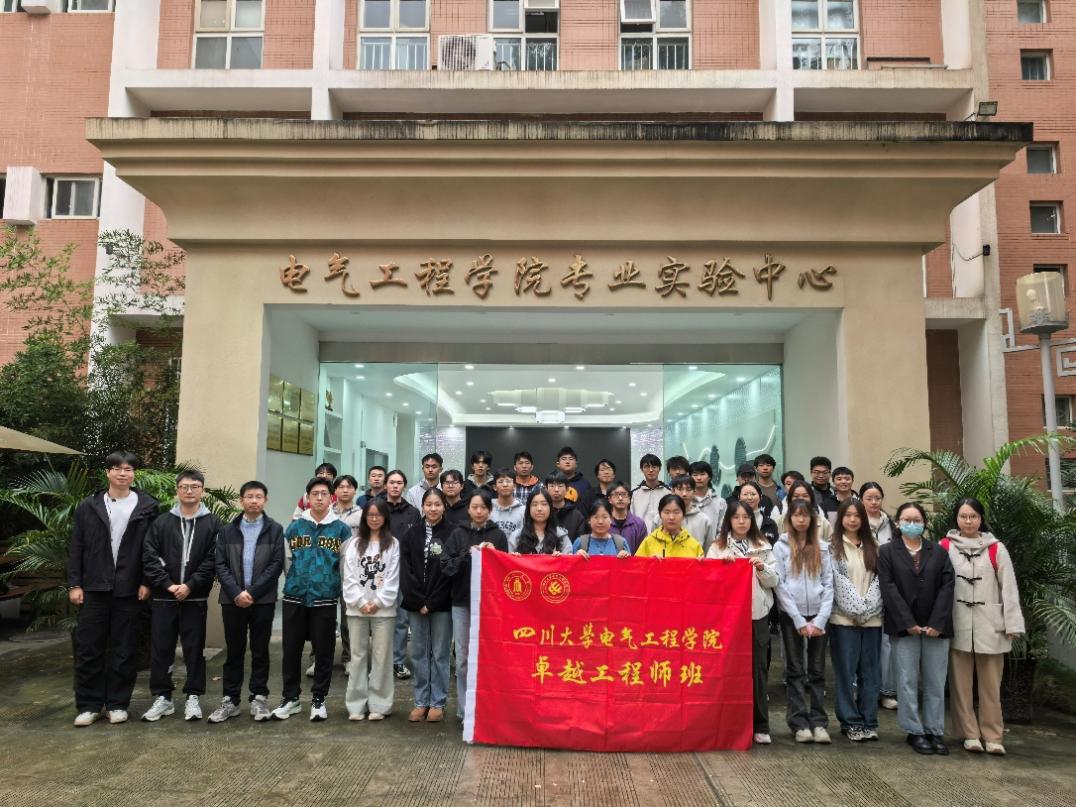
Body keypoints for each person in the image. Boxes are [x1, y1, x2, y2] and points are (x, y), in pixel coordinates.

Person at [69, 451, 158, 727]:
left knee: (124, 649)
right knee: (89, 648)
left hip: (129, 589)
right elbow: (77, 547)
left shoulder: (147, 507)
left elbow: (152, 548)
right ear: (107, 472)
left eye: (128, 469)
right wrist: (75, 583)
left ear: (134, 474)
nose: (123, 473)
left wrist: (146, 581)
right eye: (117, 468)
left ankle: (118, 704)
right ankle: (89, 705)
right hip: (94, 587)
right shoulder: (88, 506)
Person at [944, 497, 1025, 756]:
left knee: (991, 687)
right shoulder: (945, 546)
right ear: (956, 518)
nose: (968, 521)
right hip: (957, 624)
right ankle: (969, 734)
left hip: (991, 625)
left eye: (973, 516)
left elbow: (1009, 588)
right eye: (963, 516)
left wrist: (1013, 624)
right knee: (960, 686)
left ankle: (993, 735)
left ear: (981, 519)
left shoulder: (996, 548)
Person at [141, 469, 222, 723]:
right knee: (161, 649)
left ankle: (193, 696)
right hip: (164, 597)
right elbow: (150, 556)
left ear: (202, 491)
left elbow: (213, 559)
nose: (189, 491)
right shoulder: (161, 522)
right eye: (184, 486)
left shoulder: (213, 523)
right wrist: (168, 585)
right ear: (177, 490)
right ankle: (162, 697)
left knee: (194, 649)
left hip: (195, 598)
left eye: (195, 486)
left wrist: (190, 585)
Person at [878, 502, 955, 756]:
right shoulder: (887, 552)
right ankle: (914, 730)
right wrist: (907, 622)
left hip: (936, 628)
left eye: (917, 519)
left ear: (924, 523)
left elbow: (947, 587)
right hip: (904, 627)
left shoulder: (939, 552)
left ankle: (935, 730)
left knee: (935, 681)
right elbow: (888, 587)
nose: (912, 524)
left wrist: (936, 623)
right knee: (907, 681)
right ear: (898, 523)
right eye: (907, 519)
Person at [272, 476, 350, 722]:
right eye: (314, 493)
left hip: (325, 599)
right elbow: (287, 561)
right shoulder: (295, 527)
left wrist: (334, 588)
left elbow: (345, 565)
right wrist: (296, 581)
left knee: (324, 651)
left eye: (324, 494)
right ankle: (291, 698)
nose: (319, 498)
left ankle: (319, 699)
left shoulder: (341, 529)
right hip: (294, 597)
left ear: (331, 498)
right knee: (291, 650)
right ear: (307, 497)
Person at [208, 480, 285, 724]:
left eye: (258, 496)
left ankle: (259, 698)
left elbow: (276, 565)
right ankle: (230, 700)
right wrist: (236, 593)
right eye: (249, 496)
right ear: (241, 500)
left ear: (265, 500)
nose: (254, 501)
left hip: (263, 600)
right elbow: (220, 564)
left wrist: (252, 592)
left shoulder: (275, 529)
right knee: (234, 651)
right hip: (232, 601)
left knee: (260, 650)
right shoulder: (227, 530)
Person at [707, 501, 779, 745]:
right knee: (726, 671)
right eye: (736, 517)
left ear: (752, 520)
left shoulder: (763, 546)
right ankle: (727, 725)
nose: (741, 521)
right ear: (728, 520)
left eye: (746, 517)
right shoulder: (717, 547)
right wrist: (722, 568)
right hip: (726, 620)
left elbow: (774, 581)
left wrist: (762, 569)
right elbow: (708, 582)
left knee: (757, 670)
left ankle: (761, 725)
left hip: (756, 615)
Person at [441, 490, 509, 720]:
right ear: (468, 509)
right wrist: (466, 555)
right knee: (462, 660)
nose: (479, 511)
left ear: (490, 510)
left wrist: (494, 554)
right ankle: (464, 709)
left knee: (489, 659)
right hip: (462, 602)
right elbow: (446, 567)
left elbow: (507, 572)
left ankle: (487, 708)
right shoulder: (457, 533)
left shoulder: (498, 535)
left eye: (483, 507)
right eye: (474, 507)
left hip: (490, 606)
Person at [773, 499, 834, 744]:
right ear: (789, 518)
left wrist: (820, 620)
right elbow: (780, 584)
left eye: (805, 515)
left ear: (812, 519)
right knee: (795, 671)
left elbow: (828, 584)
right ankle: (799, 723)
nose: (801, 519)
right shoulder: (780, 546)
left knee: (817, 672)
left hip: (819, 615)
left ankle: (819, 722)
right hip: (792, 617)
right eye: (796, 515)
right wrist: (798, 619)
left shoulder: (823, 547)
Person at [827, 498, 883, 742]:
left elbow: (880, 582)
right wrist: (855, 610)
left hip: (872, 620)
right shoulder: (832, 547)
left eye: (857, 515)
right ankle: (850, 721)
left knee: (870, 674)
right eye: (848, 515)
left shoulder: (875, 546)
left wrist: (866, 610)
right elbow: (838, 583)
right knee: (845, 673)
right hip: (843, 621)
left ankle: (869, 720)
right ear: (841, 518)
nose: (852, 519)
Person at [341, 499, 400, 721]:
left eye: (378, 515)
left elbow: (393, 577)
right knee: (357, 656)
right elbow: (349, 576)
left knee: (382, 657)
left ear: (385, 517)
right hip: (357, 610)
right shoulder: (354, 544)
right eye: (370, 515)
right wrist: (360, 602)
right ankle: (355, 705)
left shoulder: (393, 544)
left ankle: (380, 704)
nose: (374, 519)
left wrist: (378, 602)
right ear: (364, 517)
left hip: (383, 610)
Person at [400, 488, 454, 723]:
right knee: (419, 653)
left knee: (440, 654)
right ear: (422, 506)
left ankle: (437, 702)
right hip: (415, 604)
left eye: (437, 504)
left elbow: (450, 572)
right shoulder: (411, 534)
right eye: (429, 504)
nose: (433, 508)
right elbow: (406, 570)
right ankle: (421, 701)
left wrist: (431, 602)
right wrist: (419, 601)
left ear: (444, 507)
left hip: (441, 605)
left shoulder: (453, 533)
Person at [860, 481, 897, 710]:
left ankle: (886, 691)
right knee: (865, 643)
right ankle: (865, 690)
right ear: (861, 500)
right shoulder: (854, 522)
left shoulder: (891, 525)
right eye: (869, 498)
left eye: (877, 498)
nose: (874, 502)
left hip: (887, 588)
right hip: (861, 588)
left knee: (886, 642)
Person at [383, 470, 420, 682]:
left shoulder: (413, 512)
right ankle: (380, 661)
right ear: (386, 486)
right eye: (392, 482)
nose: (395, 486)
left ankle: (397, 660)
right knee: (381, 618)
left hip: (404, 572)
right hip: (380, 572)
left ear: (404, 486)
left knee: (401, 620)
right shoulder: (377, 508)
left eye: (399, 483)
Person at [333, 474, 363, 671]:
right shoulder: (326, 512)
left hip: (351, 573)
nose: (345, 490)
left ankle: (349, 658)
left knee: (348, 617)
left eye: (349, 486)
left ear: (354, 490)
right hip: (326, 571)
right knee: (323, 618)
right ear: (335, 490)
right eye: (341, 486)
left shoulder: (362, 515)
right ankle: (318, 658)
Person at [654, 476, 714, 551]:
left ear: (694, 492)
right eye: (680, 489)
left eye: (688, 489)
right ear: (672, 491)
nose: (684, 494)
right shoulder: (660, 518)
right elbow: (653, 544)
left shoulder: (704, 520)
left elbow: (708, 550)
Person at [635, 494, 704, 558]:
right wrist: (649, 562)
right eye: (667, 512)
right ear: (660, 515)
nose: (671, 517)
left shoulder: (694, 545)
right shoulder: (648, 542)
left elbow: (703, 566)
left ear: (683, 515)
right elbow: (636, 565)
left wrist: (700, 564)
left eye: (676, 512)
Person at [514, 488, 571, 554]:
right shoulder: (516, 536)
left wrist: (561, 557)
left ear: (550, 508)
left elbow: (569, 559)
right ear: (528, 508)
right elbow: (508, 559)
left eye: (544, 504)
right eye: (534, 504)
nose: (539, 509)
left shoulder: (561, 536)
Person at [606, 481, 649, 554]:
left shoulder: (639, 524)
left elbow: (644, 552)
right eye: (616, 494)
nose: (620, 498)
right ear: (609, 499)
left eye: (623, 494)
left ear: (629, 499)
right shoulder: (604, 523)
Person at [690, 460, 727, 543]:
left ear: (709, 477)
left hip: (712, 548)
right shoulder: (685, 501)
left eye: (702, 474)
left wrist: (715, 545)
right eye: (695, 475)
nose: (699, 478)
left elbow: (723, 528)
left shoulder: (720, 502)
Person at [544, 472, 586, 541]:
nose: (556, 490)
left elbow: (581, 541)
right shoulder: (542, 512)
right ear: (546, 489)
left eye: (560, 486)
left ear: (567, 489)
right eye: (552, 486)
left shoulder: (577, 515)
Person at [630, 454, 668, 528]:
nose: (650, 470)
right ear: (641, 469)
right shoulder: (633, 493)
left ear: (660, 468)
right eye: (647, 467)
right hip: (640, 534)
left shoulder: (669, 492)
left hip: (664, 533)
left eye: (654, 467)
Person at [490, 468, 525, 547]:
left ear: (514, 486)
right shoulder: (488, 509)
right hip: (492, 553)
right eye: (501, 481)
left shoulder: (523, 510)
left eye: (508, 481)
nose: (505, 485)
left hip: (515, 553)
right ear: (494, 487)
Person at [808, 456, 840, 520]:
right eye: (817, 472)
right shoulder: (806, 492)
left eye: (825, 473)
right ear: (811, 473)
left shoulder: (836, 492)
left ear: (830, 473)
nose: (821, 476)